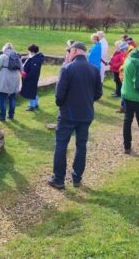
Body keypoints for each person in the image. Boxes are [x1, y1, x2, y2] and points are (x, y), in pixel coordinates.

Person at [47, 42, 102, 189]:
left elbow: (59, 96)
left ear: (76, 50)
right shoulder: (94, 69)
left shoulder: (67, 68)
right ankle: (77, 177)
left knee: (61, 145)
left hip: (68, 115)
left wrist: (64, 105)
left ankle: (59, 179)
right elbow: (98, 94)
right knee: (81, 145)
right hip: (86, 114)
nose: (69, 54)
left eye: (70, 51)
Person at [0, 43, 21, 121]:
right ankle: (11, 115)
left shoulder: (2, 56)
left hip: (4, 79)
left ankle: (2, 116)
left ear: (4, 49)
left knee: (2, 99)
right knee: (12, 98)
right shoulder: (17, 56)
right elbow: (21, 67)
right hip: (15, 79)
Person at [20, 44, 44, 111]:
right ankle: (35, 103)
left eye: (29, 51)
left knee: (31, 91)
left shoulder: (35, 60)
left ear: (32, 52)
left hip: (31, 78)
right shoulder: (34, 57)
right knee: (33, 91)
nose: (28, 52)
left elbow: (33, 71)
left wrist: (26, 77)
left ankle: (32, 106)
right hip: (30, 78)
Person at [117, 41, 133, 113]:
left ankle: (125, 108)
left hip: (127, 77)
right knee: (123, 93)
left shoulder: (131, 54)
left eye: (123, 50)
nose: (122, 52)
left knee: (125, 93)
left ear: (125, 49)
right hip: (124, 76)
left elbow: (128, 65)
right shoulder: (128, 53)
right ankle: (123, 107)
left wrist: (121, 67)